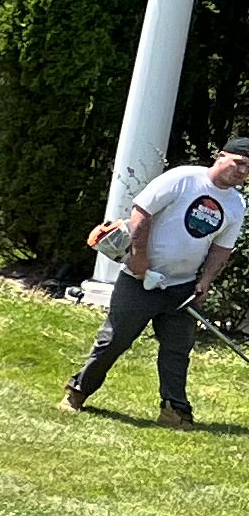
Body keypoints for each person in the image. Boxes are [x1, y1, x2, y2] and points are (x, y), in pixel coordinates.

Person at [67, 144, 249, 424]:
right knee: (115, 340)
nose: (242, 171)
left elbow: (221, 248)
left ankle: (174, 411)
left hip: (182, 288)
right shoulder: (183, 179)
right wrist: (140, 258)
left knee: (177, 351)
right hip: (139, 280)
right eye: (239, 162)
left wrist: (205, 281)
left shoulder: (236, 204)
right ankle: (77, 392)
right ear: (221, 156)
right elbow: (141, 212)